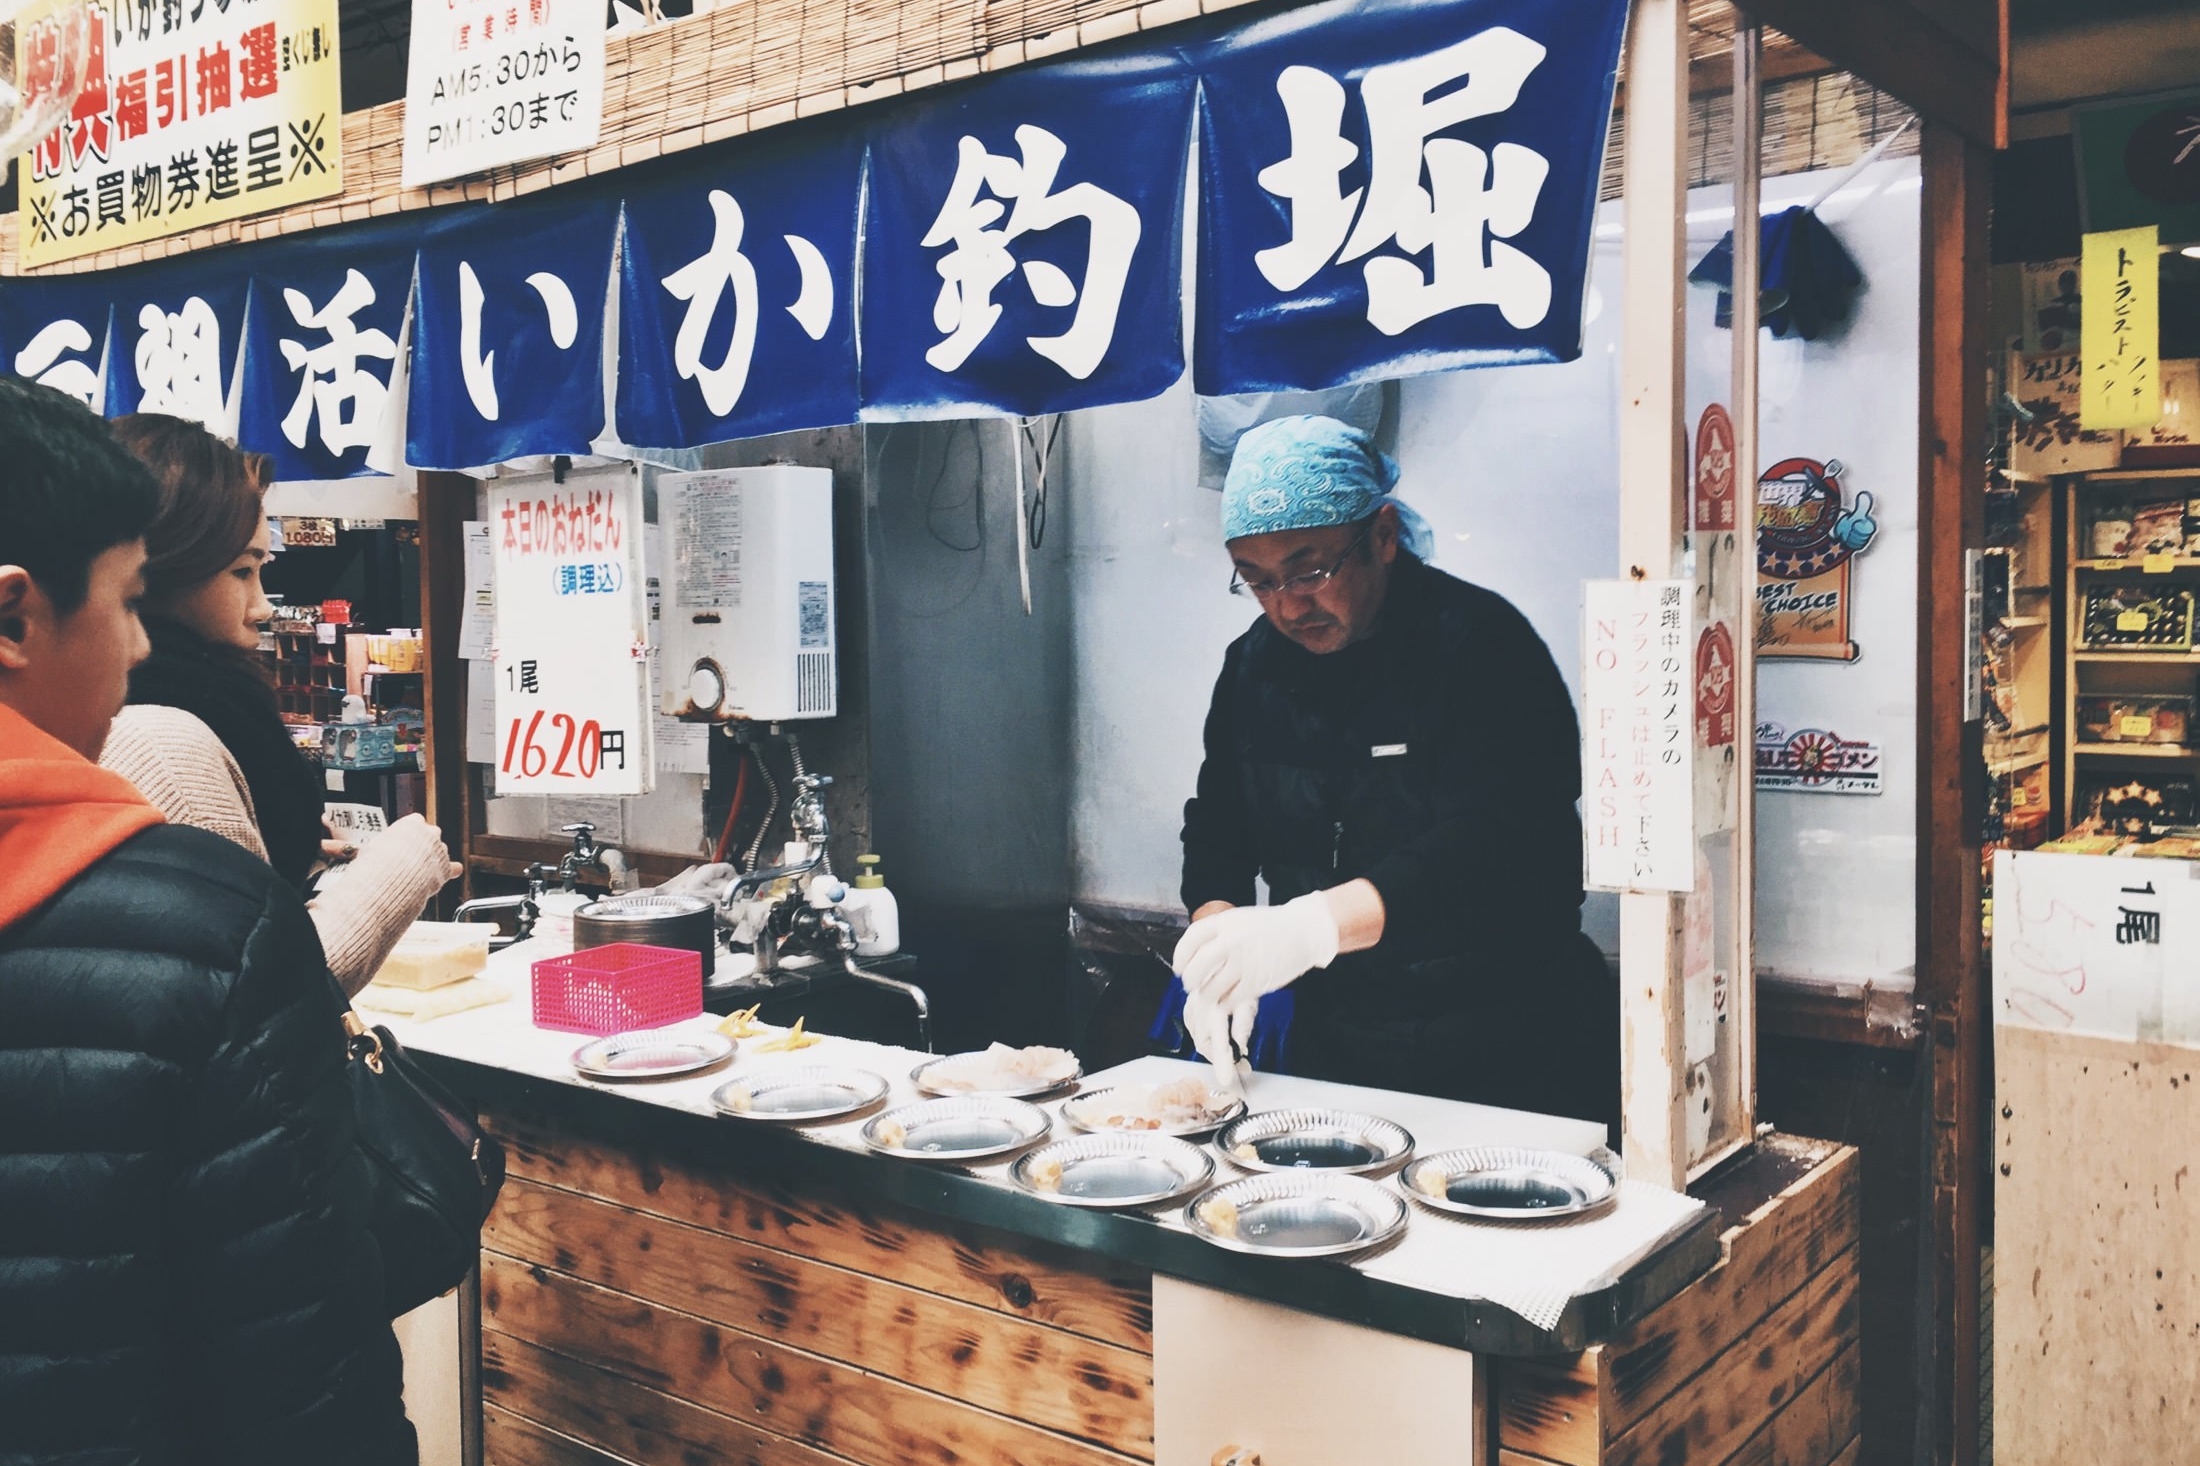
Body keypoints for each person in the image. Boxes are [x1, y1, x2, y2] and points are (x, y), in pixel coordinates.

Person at [0, 377, 416, 1464]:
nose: (138, 649)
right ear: (12, 615)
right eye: (127, 599)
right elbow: (308, 1386)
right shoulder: (209, 928)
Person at [1169, 415, 1619, 1132]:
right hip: (1342, 1045)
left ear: (1381, 536)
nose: (1287, 604)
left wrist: (1312, 926)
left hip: (1511, 1046)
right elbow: (1220, 822)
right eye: (1257, 580)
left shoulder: (1481, 646)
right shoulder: (1252, 668)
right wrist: (1217, 943)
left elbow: (1494, 841)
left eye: (1310, 571)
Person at [96, 412, 453, 995]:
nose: (262, 607)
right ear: (158, 569)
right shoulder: (163, 734)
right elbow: (262, 1003)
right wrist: (403, 867)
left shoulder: (176, 703)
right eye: (241, 571)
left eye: (262, 568)